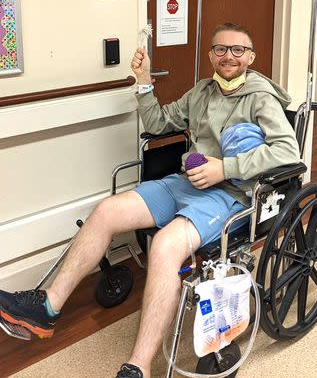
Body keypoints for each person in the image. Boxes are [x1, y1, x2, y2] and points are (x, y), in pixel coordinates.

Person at [0, 22, 300, 378]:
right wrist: (143, 81)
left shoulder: (261, 97)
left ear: (250, 56)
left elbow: (287, 151)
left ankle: (137, 368)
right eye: (221, 49)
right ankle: (45, 307)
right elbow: (159, 123)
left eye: (238, 50)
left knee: (164, 246)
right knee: (107, 211)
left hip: (231, 195)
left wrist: (226, 168)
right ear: (210, 55)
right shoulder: (202, 91)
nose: (229, 56)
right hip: (185, 184)